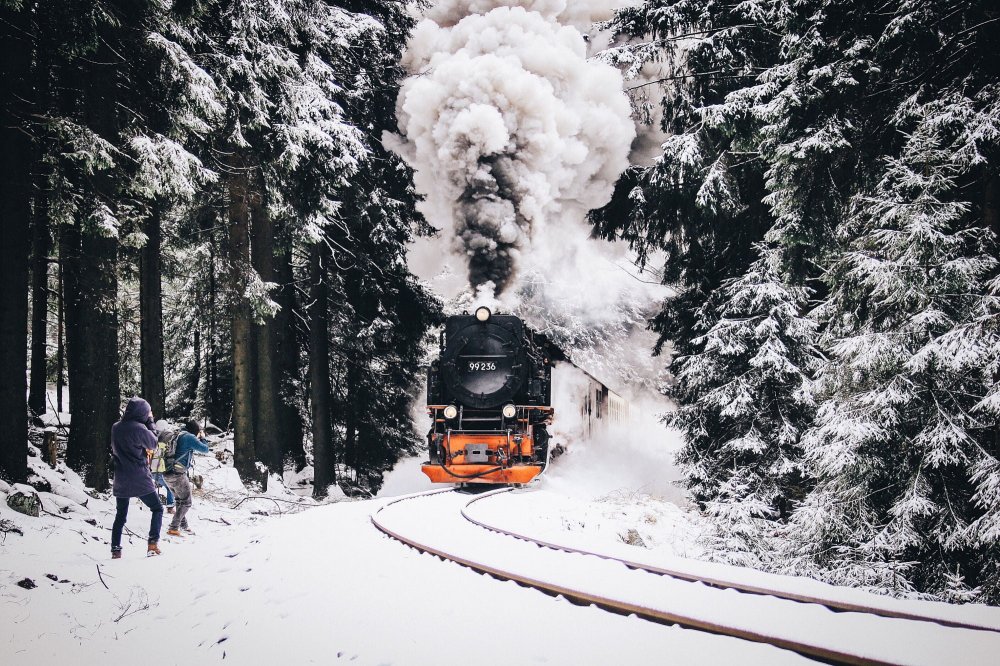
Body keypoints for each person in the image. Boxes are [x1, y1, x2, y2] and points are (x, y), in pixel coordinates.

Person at [110, 397, 163, 558]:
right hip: (139, 477)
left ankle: (116, 550)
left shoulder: (116, 427)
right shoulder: (139, 428)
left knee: (120, 515)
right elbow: (154, 444)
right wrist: (151, 423)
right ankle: (152, 544)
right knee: (157, 508)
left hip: (120, 476)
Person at [161, 420, 210, 537]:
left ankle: (183, 525)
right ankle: (173, 528)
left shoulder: (178, 434)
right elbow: (205, 449)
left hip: (167, 473)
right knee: (187, 502)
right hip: (177, 474)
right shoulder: (189, 437)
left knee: (180, 501)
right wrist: (202, 438)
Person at [150, 420, 175, 514]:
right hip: (160, 469)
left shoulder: (152, 438)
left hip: (150, 469)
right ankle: (170, 507)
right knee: (170, 486)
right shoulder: (167, 441)